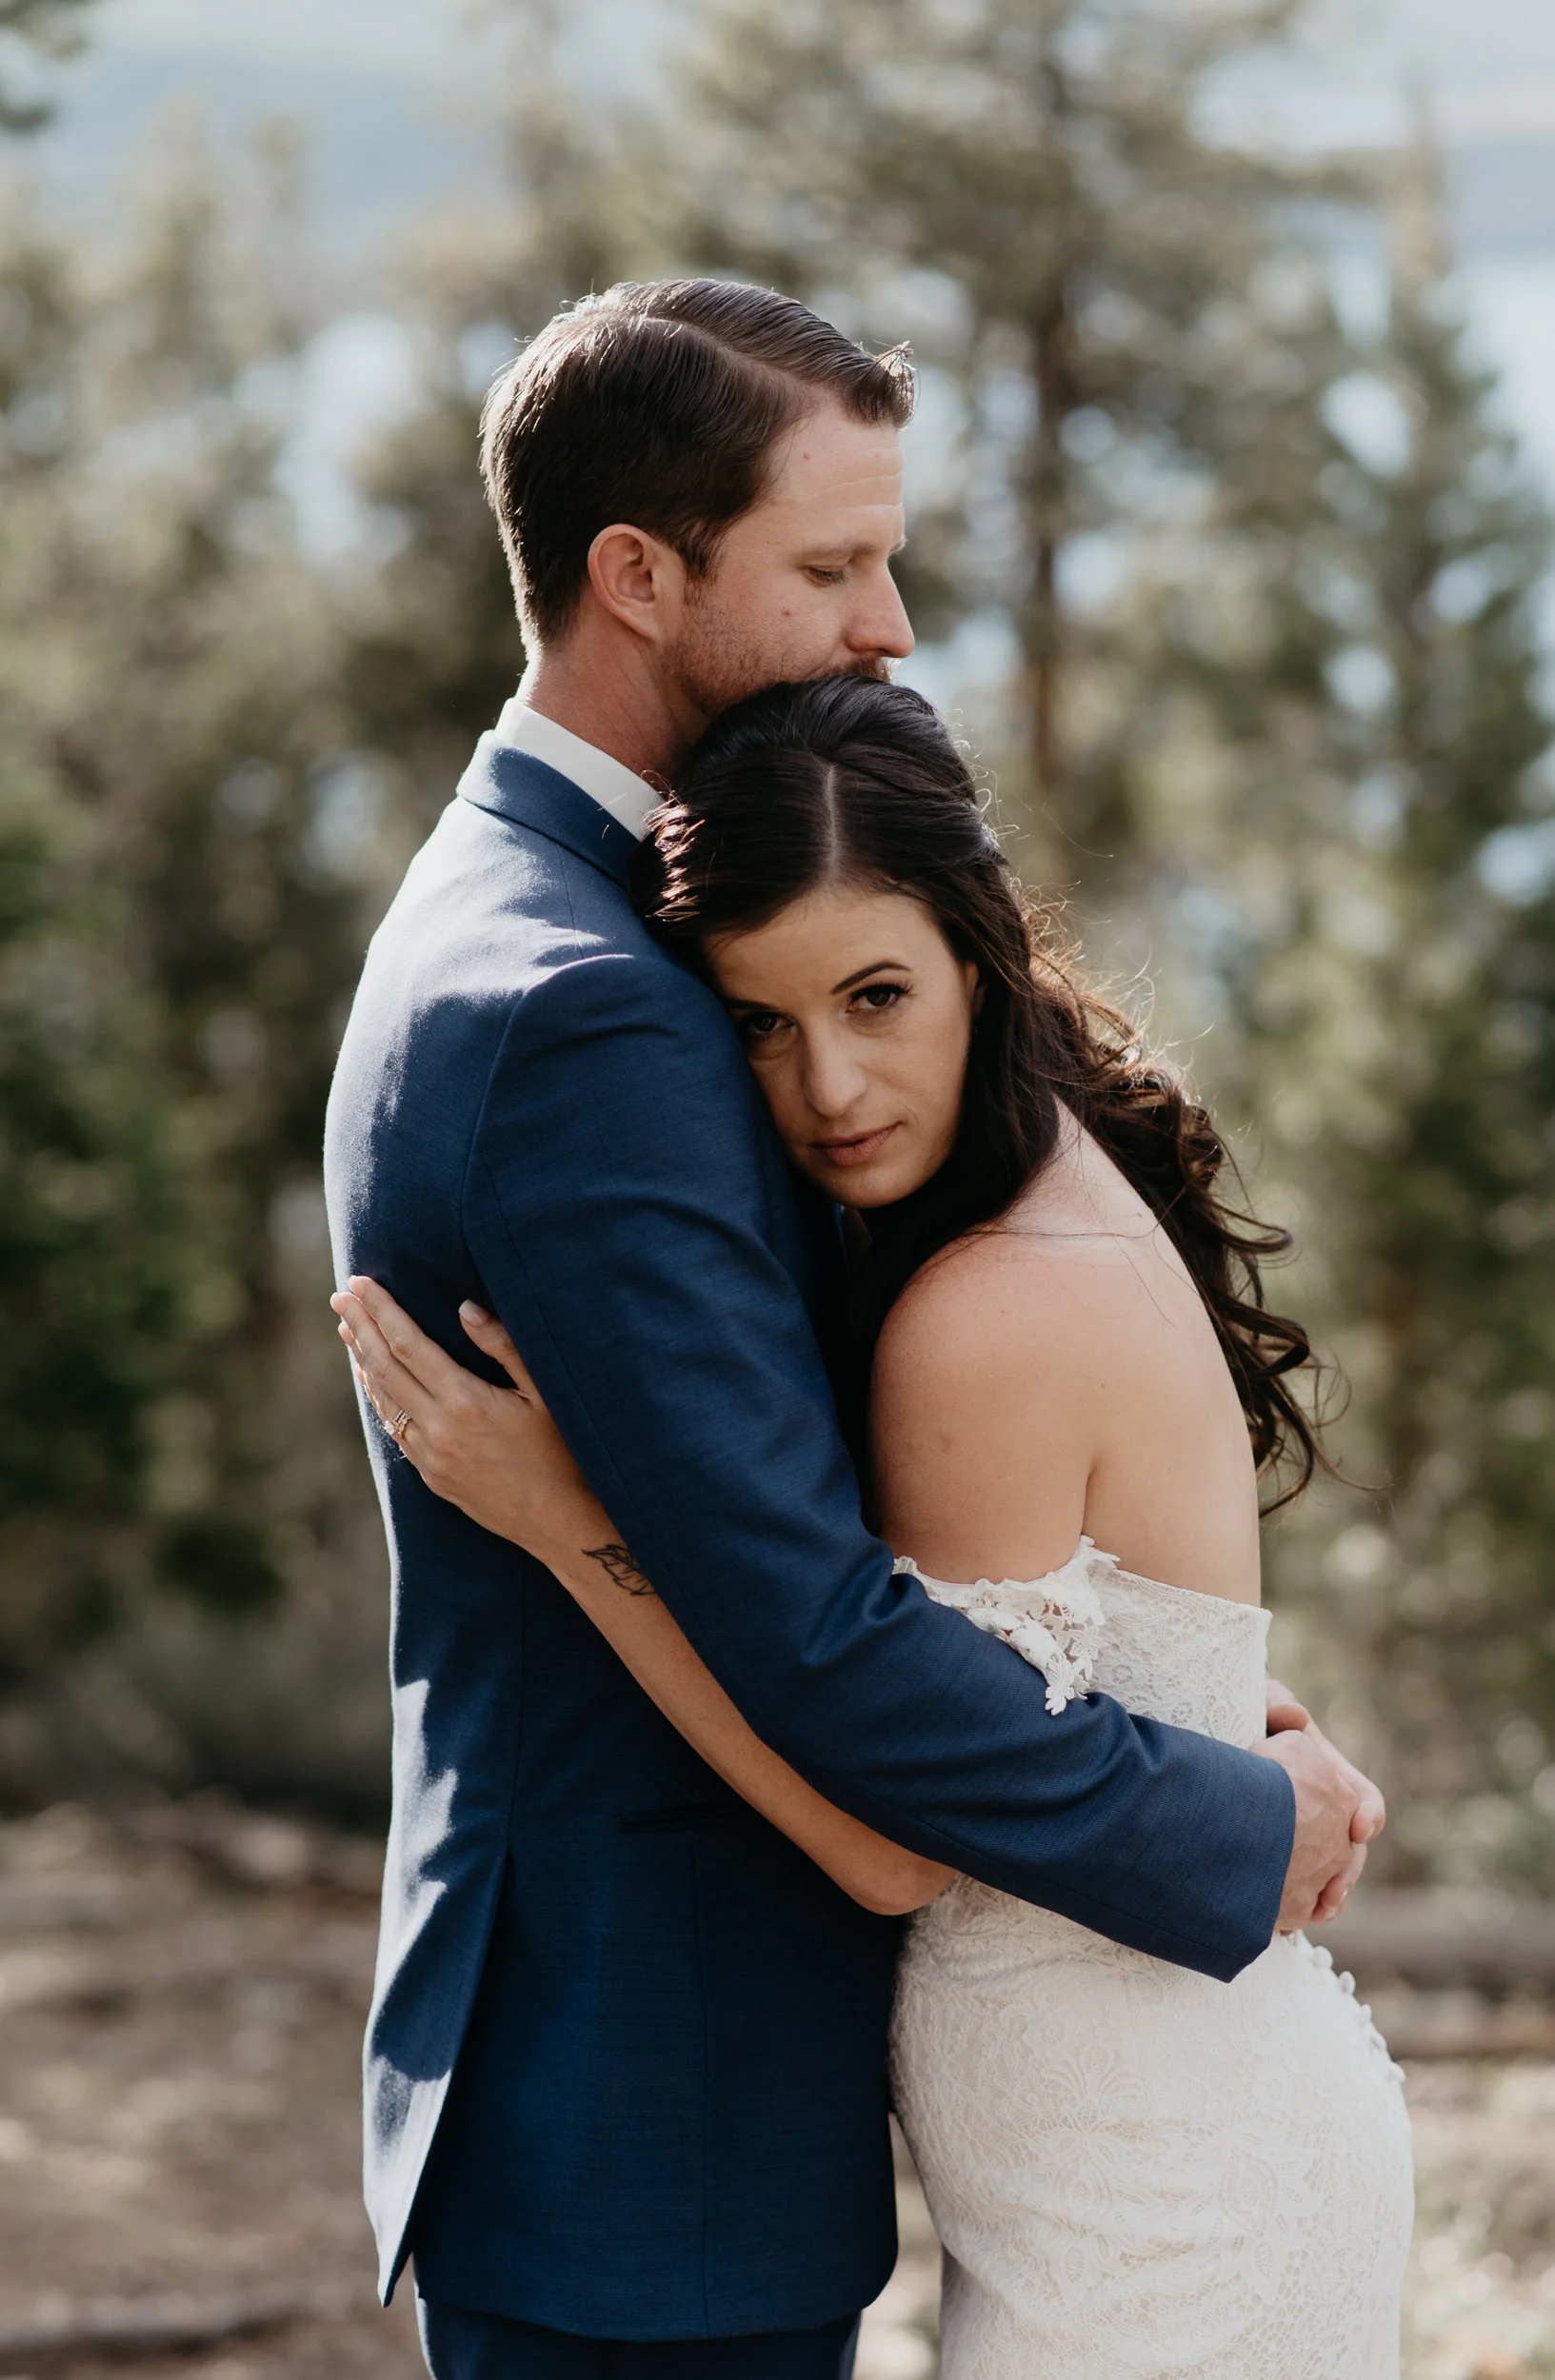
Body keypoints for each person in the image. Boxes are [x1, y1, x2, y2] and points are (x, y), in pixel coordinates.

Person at [323, 279, 1377, 2380]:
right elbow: (813, 1623)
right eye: (833, 564)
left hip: (689, 2107)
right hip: (656, 2118)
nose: (891, 621)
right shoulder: (588, 1004)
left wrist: (1183, 1694)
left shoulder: (550, 908)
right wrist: (1224, 1820)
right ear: (639, 574)